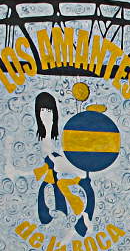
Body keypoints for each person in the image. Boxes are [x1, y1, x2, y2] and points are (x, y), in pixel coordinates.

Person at [32, 92, 95, 236]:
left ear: (55, 112)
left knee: (83, 187)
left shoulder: (61, 138)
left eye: (49, 111)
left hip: (66, 177)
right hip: (52, 181)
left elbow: (73, 158)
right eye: (42, 111)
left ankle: (83, 219)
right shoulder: (38, 140)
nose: (46, 115)